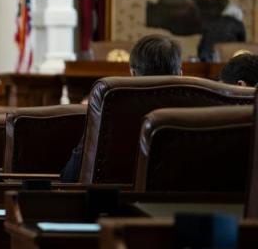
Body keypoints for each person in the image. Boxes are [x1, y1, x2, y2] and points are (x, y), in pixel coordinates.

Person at [60, 34, 182, 183]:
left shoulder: (108, 111)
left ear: (133, 73)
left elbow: (71, 177)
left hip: (110, 203)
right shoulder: (199, 107)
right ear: (180, 74)